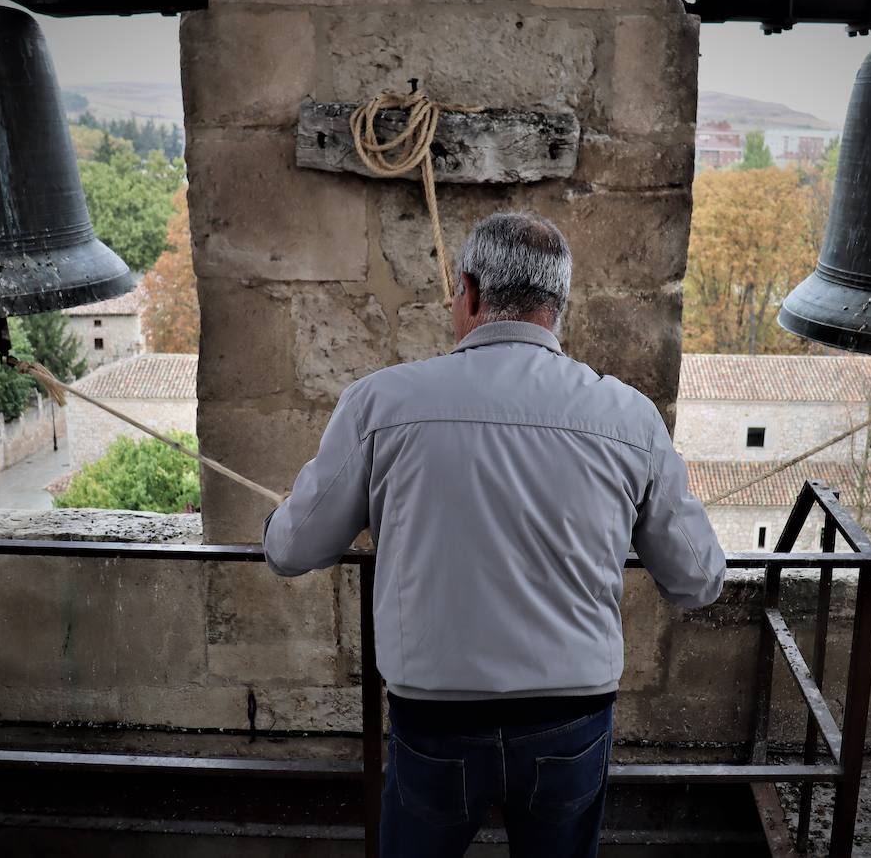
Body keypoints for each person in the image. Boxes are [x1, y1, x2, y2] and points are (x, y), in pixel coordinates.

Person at [263, 211, 726, 858]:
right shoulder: (630, 418)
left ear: (470, 292)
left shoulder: (381, 404)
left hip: (435, 724)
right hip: (571, 722)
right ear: (557, 308)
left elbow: (292, 548)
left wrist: (277, 516)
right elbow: (698, 580)